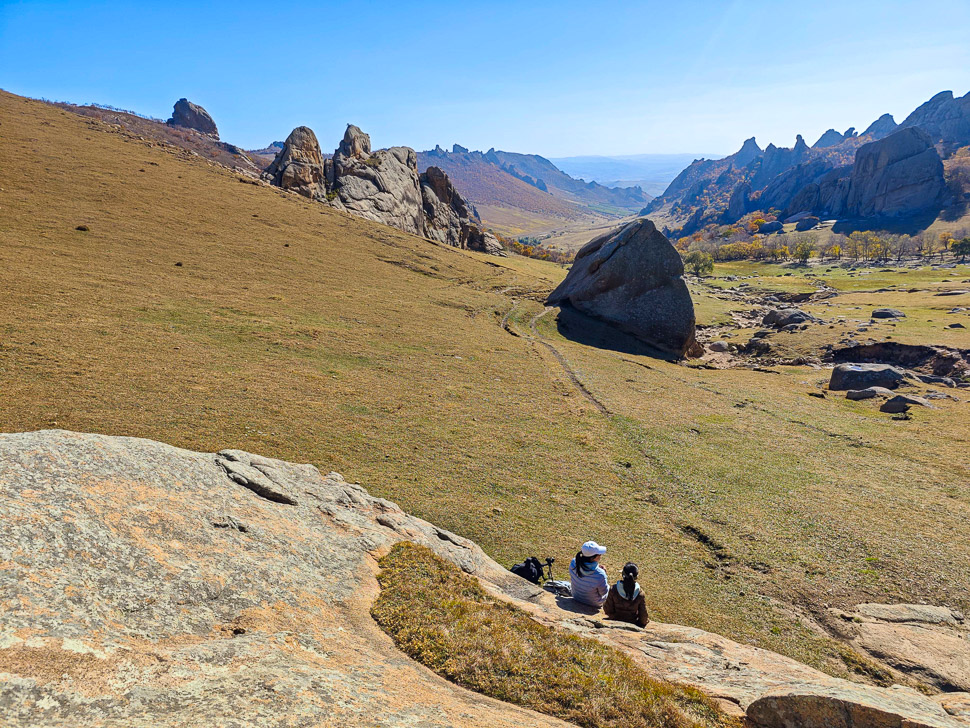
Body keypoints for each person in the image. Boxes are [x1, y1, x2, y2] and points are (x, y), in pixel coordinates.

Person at [604, 562, 649, 627]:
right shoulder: (640, 593)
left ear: (622, 574)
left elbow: (608, 609)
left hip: (614, 621)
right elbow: (643, 617)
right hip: (632, 622)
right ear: (636, 577)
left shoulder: (613, 589)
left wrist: (613, 617)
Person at [569, 540, 609, 607]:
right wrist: (604, 575)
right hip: (594, 603)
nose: (600, 556)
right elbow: (603, 593)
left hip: (576, 596)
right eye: (599, 554)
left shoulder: (573, 562)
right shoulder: (600, 574)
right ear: (593, 558)